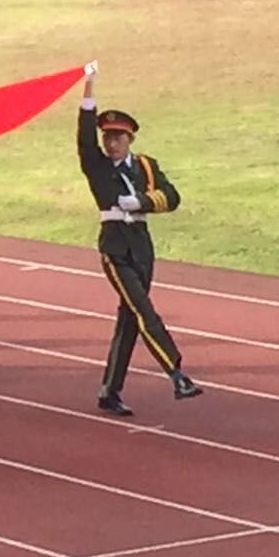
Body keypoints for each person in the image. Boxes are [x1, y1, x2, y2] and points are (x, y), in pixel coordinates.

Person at [78, 65, 200, 416]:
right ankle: (176, 373)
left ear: (130, 139)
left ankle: (109, 391)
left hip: (142, 246)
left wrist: (143, 202)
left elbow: (172, 197)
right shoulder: (96, 165)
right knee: (144, 310)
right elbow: (84, 135)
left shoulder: (145, 166)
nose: (110, 143)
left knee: (130, 320)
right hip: (115, 247)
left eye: (117, 137)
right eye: (107, 137)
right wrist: (88, 87)